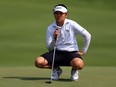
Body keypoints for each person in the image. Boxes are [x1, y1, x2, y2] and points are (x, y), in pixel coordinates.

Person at [35, 4, 91, 81]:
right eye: (56, 13)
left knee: (79, 64)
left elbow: (87, 35)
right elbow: (49, 48)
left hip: (71, 53)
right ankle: (56, 69)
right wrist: (55, 39)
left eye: (61, 13)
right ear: (54, 14)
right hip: (56, 53)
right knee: (38, 62)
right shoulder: (50, 28)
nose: (58, 15)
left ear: (66, 15)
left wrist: (83, 51)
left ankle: (74, 70)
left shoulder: (72, 24)